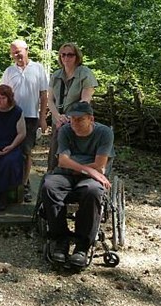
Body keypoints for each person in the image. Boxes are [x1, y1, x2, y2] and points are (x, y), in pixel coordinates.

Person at [41, 101, 113, 267]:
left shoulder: (104, 133)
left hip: (89, 179)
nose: (74, 123)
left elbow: (100, 164)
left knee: (93, 191)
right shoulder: (66, 130)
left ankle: (82, 245)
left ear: (91, 119)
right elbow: (63, 161)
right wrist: (90, 170)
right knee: (49, 186)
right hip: (66, 174)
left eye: (80, 120)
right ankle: (61, 239)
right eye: (72, 119)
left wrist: (85, 171)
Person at [0, 39, 48, 202]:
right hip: (11, 116)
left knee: (26, 152)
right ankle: (10, 183)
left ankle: (24, 184)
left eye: (19, 51)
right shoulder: (9, 71)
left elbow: (43, 95)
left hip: (31, 117)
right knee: (10, 149)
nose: (17, 54)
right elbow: (2, 94)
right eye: (14, 52)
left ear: (27, 50)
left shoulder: (38, 69)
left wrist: (43, 118)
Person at [47, 42, 98, 171]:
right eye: (63, 55)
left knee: (74, 158)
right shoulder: (56, 75)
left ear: (77, 56)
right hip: (58, 123)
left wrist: (70, 118)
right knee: (54, 158)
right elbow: (50, 100)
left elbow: (85, 100)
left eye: (70, 55)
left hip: (78, 123)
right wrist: (58, 117)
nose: (66, 58)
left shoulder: (85, 73)